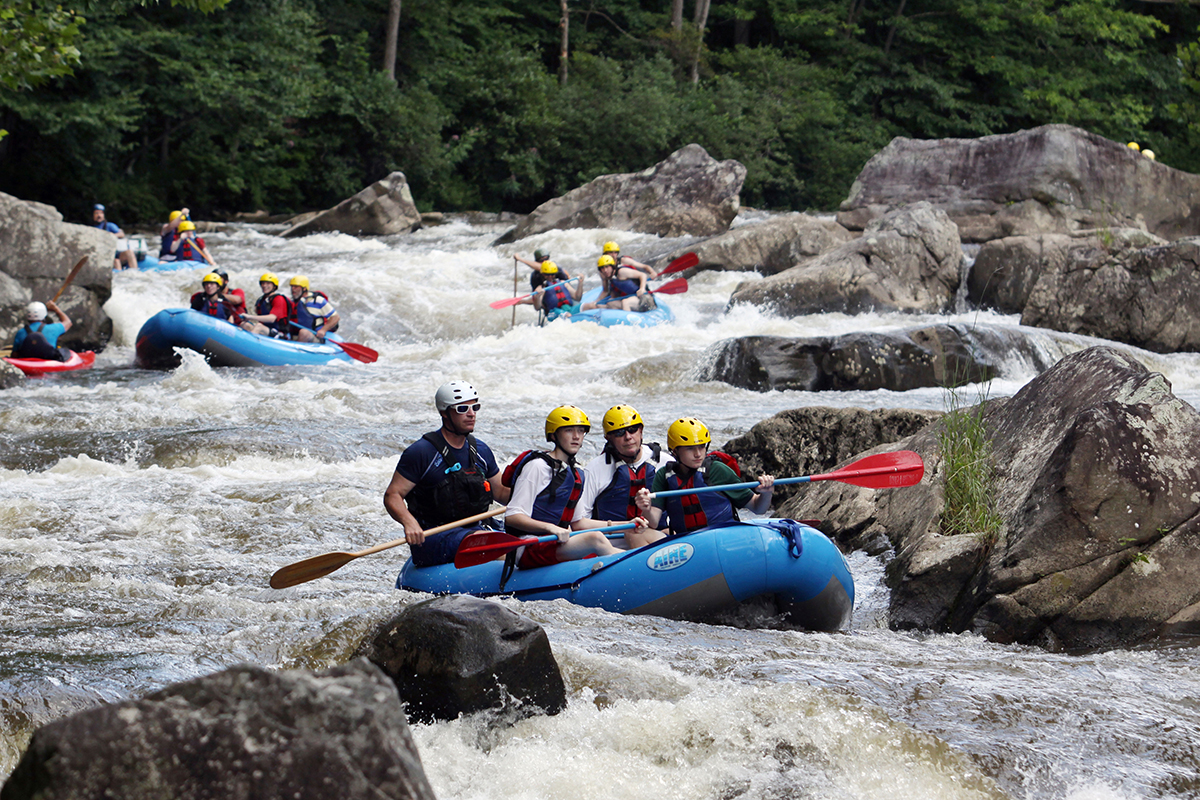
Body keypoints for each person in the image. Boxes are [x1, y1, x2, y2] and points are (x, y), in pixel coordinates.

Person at [383, 381, 512, 567]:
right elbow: (392, 495)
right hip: (434, 537)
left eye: (475, 407)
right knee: (493, 542)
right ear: (444, 413)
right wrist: (409, 523)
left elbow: (501, 493)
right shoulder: (422, 452)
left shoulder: (481, 451)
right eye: (462, 408)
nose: (471, 414)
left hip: (477, 529)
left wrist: (535, 490)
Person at [503, 405, 627, 568]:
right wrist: (550, 528)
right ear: (554, 435)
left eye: (581, 431)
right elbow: (512, 515)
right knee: (594, 539)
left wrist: (626, 525)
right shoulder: (537, 467)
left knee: (597, 543)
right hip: (527, 547)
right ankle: (636, 568)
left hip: (554, 544)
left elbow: (579, 523)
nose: (576, 437)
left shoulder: (577, 473)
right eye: (569, 430)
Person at [635, 417, 774, 536]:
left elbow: (757, 508)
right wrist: (645, 507)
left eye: (701, 447)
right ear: (675, 451)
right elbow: (653, 522)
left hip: (725, 537)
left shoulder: (717, 470)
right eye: (690, 448)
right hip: (688, 543)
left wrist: (766, 493)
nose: (698, 454)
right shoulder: (665, 475)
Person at [572, 404, 672, 549]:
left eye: (633, 430)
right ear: (609, 438)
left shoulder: (665, 462)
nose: (628, 437)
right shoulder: (594, 469)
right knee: (634, 534)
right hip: (612, 547)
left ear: (641, 431)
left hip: (658, 537)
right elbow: (579, 522)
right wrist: (625, 526)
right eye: (619, 433)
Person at [582, 255, 655, 313]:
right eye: (602, 268)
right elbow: (612, 295)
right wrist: (596, 303)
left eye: (607, 267)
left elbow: (643, 275)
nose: (605, 270)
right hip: (633, 300)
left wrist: (642, 289)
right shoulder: (611, 279)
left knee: (625, 302)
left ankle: (628, 325)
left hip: (645, 299)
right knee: (611, 303)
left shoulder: (622, 272)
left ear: (612, 266)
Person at [287, 276, 340, 342]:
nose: (293, 289)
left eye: (296, 287)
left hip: (314, 337)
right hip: (294, 337)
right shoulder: (291, 303)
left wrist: (323, 330)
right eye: (291, 286)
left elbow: (335, 317)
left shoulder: (318, 301)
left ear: (304, 288)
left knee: (304, 332)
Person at [239, 272, 293, 337]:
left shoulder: (279, 299)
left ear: (274, 286)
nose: (264, 285)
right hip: (266, 330)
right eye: (263, 283)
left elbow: (272, 318)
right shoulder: (261, 300)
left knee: (259, 326)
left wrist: (250, 317)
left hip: (279, 334)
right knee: (245, 324)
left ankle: (247, 344)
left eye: (268, 283)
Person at [93, 204, 137, 271]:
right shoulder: (92, 229)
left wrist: (111, 236)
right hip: (104, 256)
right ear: (93, 215)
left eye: (101, 213)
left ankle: (135, 272)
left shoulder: (110, 225)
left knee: (129, 252)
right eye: (96, 213)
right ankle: (119, 276)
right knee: (116, 261)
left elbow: (121, 234)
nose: (99, 215)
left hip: (115, 253)